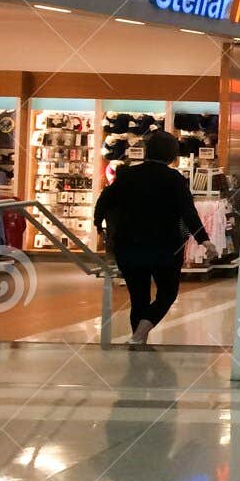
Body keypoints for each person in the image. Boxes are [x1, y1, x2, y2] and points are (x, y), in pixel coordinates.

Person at [93, 129, 212, 347]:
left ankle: (139, 340)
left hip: (128, 246)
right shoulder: (174, 179)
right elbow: (188, 212)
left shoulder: (127, 175)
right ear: (171, 154)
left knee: (138, 297)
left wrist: (98, 224)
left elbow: (104, 200)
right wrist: (203, 239)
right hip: (165, 247)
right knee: (167, 293)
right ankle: (141, 334)